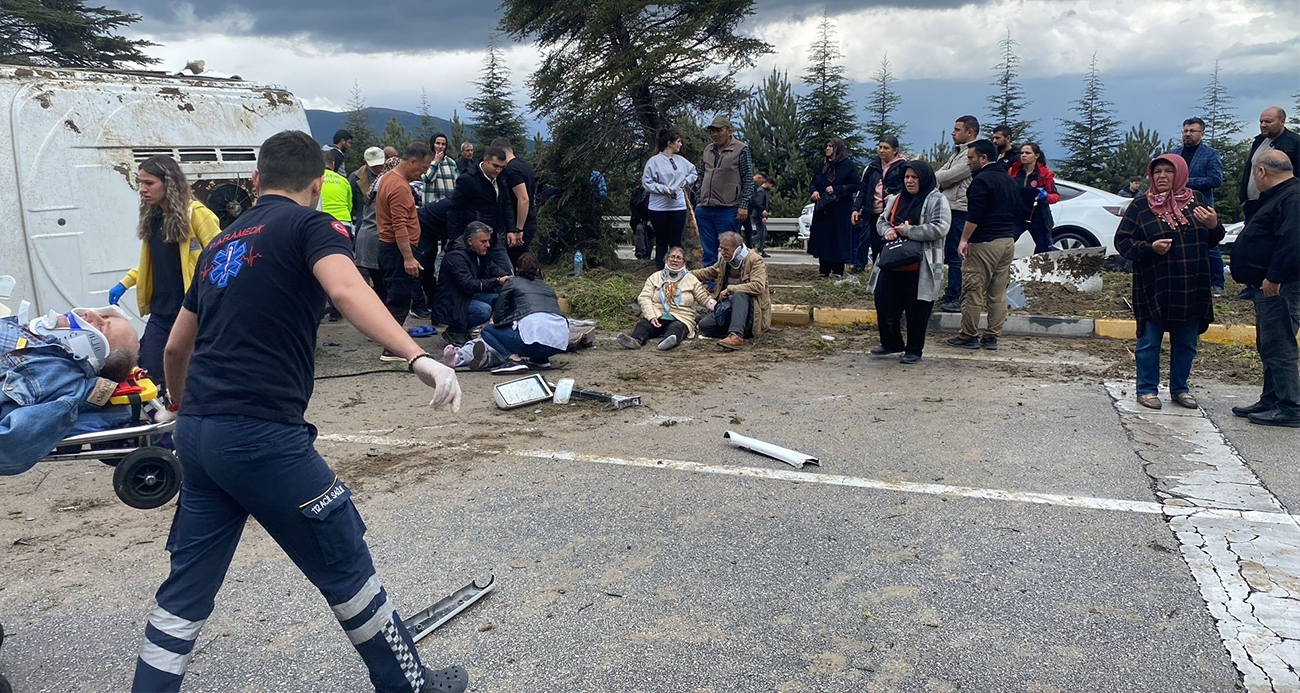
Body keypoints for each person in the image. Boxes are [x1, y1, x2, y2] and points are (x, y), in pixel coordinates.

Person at [131, 129, 466, 693]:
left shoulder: (220, 242)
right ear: (317, 184)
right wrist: (417, 357)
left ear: (257, 180)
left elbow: (173, 348)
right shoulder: (313, 226)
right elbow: (345, 289)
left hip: (199, 437)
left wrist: (183, 411)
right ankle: (409, 684)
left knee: (185, 592)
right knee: (343, 557)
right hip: (262, 437)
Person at [1113, 154, 1225, 410]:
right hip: (1155, 286)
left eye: (1168, 171)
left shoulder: (1196, 201)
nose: (1162, 176)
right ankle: (1146, 389)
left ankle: (1179, 389)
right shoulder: (1141, 206)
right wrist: (1150, 247)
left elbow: (1212, 239)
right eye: (1157, 172)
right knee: (1149, 341)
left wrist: (1214, 225)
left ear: (1181, 174)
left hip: (1191, 285)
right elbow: (1123, 242)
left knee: (1186, 343)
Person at [107, 154, 220, 386]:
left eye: (149, 183)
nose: (142, 189)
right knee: (147, 371)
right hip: (161, 311)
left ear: (169, 183)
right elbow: (153, 263)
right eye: (140, 182)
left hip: (190, 311)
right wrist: (126, 282)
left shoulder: (197, 215)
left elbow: (221, 257)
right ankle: (160, 415)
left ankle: (183, 414)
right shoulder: (154, 217)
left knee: (188, 372)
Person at [1, 307, 142, 476]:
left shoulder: (59, 379)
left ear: (93, 351)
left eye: (102, 326)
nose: (90, 314)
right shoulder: (43, 342)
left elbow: (12, 443)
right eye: (102, 316)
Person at [1229, 150, 1299, 427]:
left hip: (1280, 286)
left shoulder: (1292, 197)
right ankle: (1271, 399)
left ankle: (1290, 406)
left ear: (1261, 172)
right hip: (1268, 285)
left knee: (1280, 345)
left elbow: (1292, 242)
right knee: (1269, 344)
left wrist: (1274, 276)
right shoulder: (1281, 195)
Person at [868, 161, 950, 363]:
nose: (910, 181)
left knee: (917, 309)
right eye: (907, 177)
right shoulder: (896, 199)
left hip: (920, 265)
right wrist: (887, 230)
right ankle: (891, 342)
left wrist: (910, 231)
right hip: (892, 261)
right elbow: (882, 221)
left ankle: (914, 349)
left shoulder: (936, 200)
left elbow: (940, 227)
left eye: (914, 177)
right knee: (884, 301)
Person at [947, 139, 1020, 351]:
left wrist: (963, 239)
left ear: (983, 158)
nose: (968, 162)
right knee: (998, 293)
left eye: (971, 158)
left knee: (972, 291)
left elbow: (975, 215)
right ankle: (991, 336)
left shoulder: (981, 181)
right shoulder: (1008, 179)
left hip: (984, 243)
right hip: (1007, 241)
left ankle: (968, 334)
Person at [375, 142, 433, 360]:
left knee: (395, 296)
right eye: (424, 167)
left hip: (389, 248)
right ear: (412, 161)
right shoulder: (399, 187)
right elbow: (399, 224)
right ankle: (391, 349)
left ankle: (391, 342)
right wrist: (408, 257)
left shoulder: (388, 177)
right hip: (397, 250)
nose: (424, 172)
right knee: (399, 299)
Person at [479, 253, 568, 372]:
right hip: (557, 344)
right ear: (537, 270)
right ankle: (540, 359)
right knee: (535, 326)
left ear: (516, 269)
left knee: (487, 331)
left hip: (531, 344)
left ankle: (513, 360)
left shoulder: (512, 283)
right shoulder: (547, 287)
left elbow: (498, 316)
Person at [617, 246, 716, 351]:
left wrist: (717, 307)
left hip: (681, 317)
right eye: (672, 257)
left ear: (684, 262)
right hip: (657, 315)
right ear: (666, 259)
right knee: (643, 325)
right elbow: (644, 297)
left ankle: (668, 342)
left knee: (677, 328)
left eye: (678, 258)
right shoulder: (655, 277)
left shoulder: (691, 279)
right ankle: (635, 341)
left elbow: (704, 298)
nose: (674, 260)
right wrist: (651, 316)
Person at [1172, 117, 1226, 295]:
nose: (1188, 134)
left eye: (1192, 131)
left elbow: (1215, 179)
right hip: (1174, 206)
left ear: (1202, 133)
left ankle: (1217, 283)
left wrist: (1185, 182)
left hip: (1199, 206)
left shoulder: (1210, 154)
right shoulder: (1173, 153)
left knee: (1210, 245)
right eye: (1185, 131)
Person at [433, 222, 508, 346]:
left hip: (467, 296)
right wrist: (497, 281)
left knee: (500, 300)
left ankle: (464, 329)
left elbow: (492, 268)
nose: (488, 245)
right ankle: (455, 331)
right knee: (483, 310)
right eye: (483, 242)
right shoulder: (456, 256)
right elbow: (468, 285)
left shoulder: (478, 251)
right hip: (451, 301)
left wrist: (506, 277)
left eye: (488, 241)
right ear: (470, 241)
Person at [693, 231, 771, 350]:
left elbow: (758, 286)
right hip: (727, 307)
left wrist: (730, 289)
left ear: (738, 250)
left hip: (752, 312)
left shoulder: (755, 260)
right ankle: (733, 330)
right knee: (704, 326)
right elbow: (709, 272)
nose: (722, 252)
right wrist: (685, 274)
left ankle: (736, 335)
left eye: (726, 249)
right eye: (720, 249)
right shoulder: (725, 260)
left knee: (739, 294)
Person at [694, 116, 753, 268]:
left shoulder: (741, 149)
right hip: (705, 207)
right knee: (707, 249)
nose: (715, 134)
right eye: (712, 131)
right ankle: (709, 282)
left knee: (730, 249)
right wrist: (699, 198)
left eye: (719, 130)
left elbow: (747, 178)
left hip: (729, 208)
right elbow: (701, 174)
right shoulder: (707, 149)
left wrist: (744, 204)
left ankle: (731, 281)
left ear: (729, 130)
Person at [935, 115, 980, 313]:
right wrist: (945, 181)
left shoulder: (972, 153)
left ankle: (955, 295)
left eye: (957, 129)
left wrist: (946, 180)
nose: (952, 133)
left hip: (960, 208)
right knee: (950, 253)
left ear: (969, 132)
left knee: (956, 255)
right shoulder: (957, 152)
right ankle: (950, 292)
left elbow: (951, 175)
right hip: (950, 206)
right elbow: (940, 175)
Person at [445, 146, 512, 277]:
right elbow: (454, 209)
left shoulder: (501, 178)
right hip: (472, 237)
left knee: (506, 272)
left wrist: (511, 229)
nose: (498, 170)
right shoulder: (468, 179)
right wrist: (453, 237)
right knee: (471, 274)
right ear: (485, 160)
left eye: (501, 167)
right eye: (495, 166)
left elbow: (506, 204)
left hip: (494, 235)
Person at [641, 130, 698, 270]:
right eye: (678, 142)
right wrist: (662, 189)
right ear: (669, 143)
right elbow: (646, 182)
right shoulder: (653, 162)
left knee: (675, 241)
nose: (680, 144)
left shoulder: (681, 161)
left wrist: (684, 182)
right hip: (658, 208)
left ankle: (677, 270)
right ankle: (660, 271)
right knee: (661, 241)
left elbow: (693, 173)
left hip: (678, 207)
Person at [850, 136, 907, 272]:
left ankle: (886, 268)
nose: (881, 151)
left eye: (885, 148)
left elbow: (906, 188)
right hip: (871, 211)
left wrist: (894, 197)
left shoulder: (902, 167)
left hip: (890, 213)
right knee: (867, 241)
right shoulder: (872, 167)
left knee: (886, 242)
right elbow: (863, 189)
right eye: (880, 147)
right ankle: (864, 266)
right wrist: (856, 208)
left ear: (895, 151)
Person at [807, 138, 859, 277]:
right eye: (827, 146)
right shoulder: (823, 165)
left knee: (838, 238)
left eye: (831, 146)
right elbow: (814, 182)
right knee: (823, 238)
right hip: (823, 209)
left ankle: (837, 270)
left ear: (838, 149)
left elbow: (855, 185)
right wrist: (814, 191)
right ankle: (823, 270)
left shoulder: (848, 165)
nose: (828, 149)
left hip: (840, 209)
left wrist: (837, 189)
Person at [1239, 106, 1300, 222]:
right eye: (1261, 121)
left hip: (1278, 205)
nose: (1263, 125)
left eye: (1268, 121)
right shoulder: (1258, 141)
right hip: (1252, 204)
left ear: (1282, 121)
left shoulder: (1295, 143)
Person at [350, 147, 389, 301]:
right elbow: (352, 203)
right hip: (364, 227)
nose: (378, 167)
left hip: (383, 229)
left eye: (380, 164)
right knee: (364, 272)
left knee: (382, 275)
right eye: (374, 165)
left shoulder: (388, 176)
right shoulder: (355, 178)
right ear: (365, 162)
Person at [1006, 142, 1060, 254]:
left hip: (1038, 216)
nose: (1023, 155)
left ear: (1036, 155)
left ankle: (1042, 270)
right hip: (1017, 216)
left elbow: (1055, 196)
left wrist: (1045, 197)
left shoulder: (1044, 174)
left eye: (1027, 153)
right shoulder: (1014, 171)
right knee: (1005, 244)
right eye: (1022, 153)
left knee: (1044, 249)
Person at [493, 137, 538, 267]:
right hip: (529, 220)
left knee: (516, 262)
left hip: (522, 224)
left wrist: (518, 229)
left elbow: (524, 199)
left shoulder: (511, 170)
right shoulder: (523, 165)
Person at [421, 133, 460, 206]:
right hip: (431, 207)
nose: (440, 146)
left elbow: (457, 184)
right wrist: (436, 162)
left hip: (448, 206)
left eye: (443, 144)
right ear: (432, 144)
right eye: (437, 143)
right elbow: (427, 179)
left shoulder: (451, 162)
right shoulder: (425, 161)